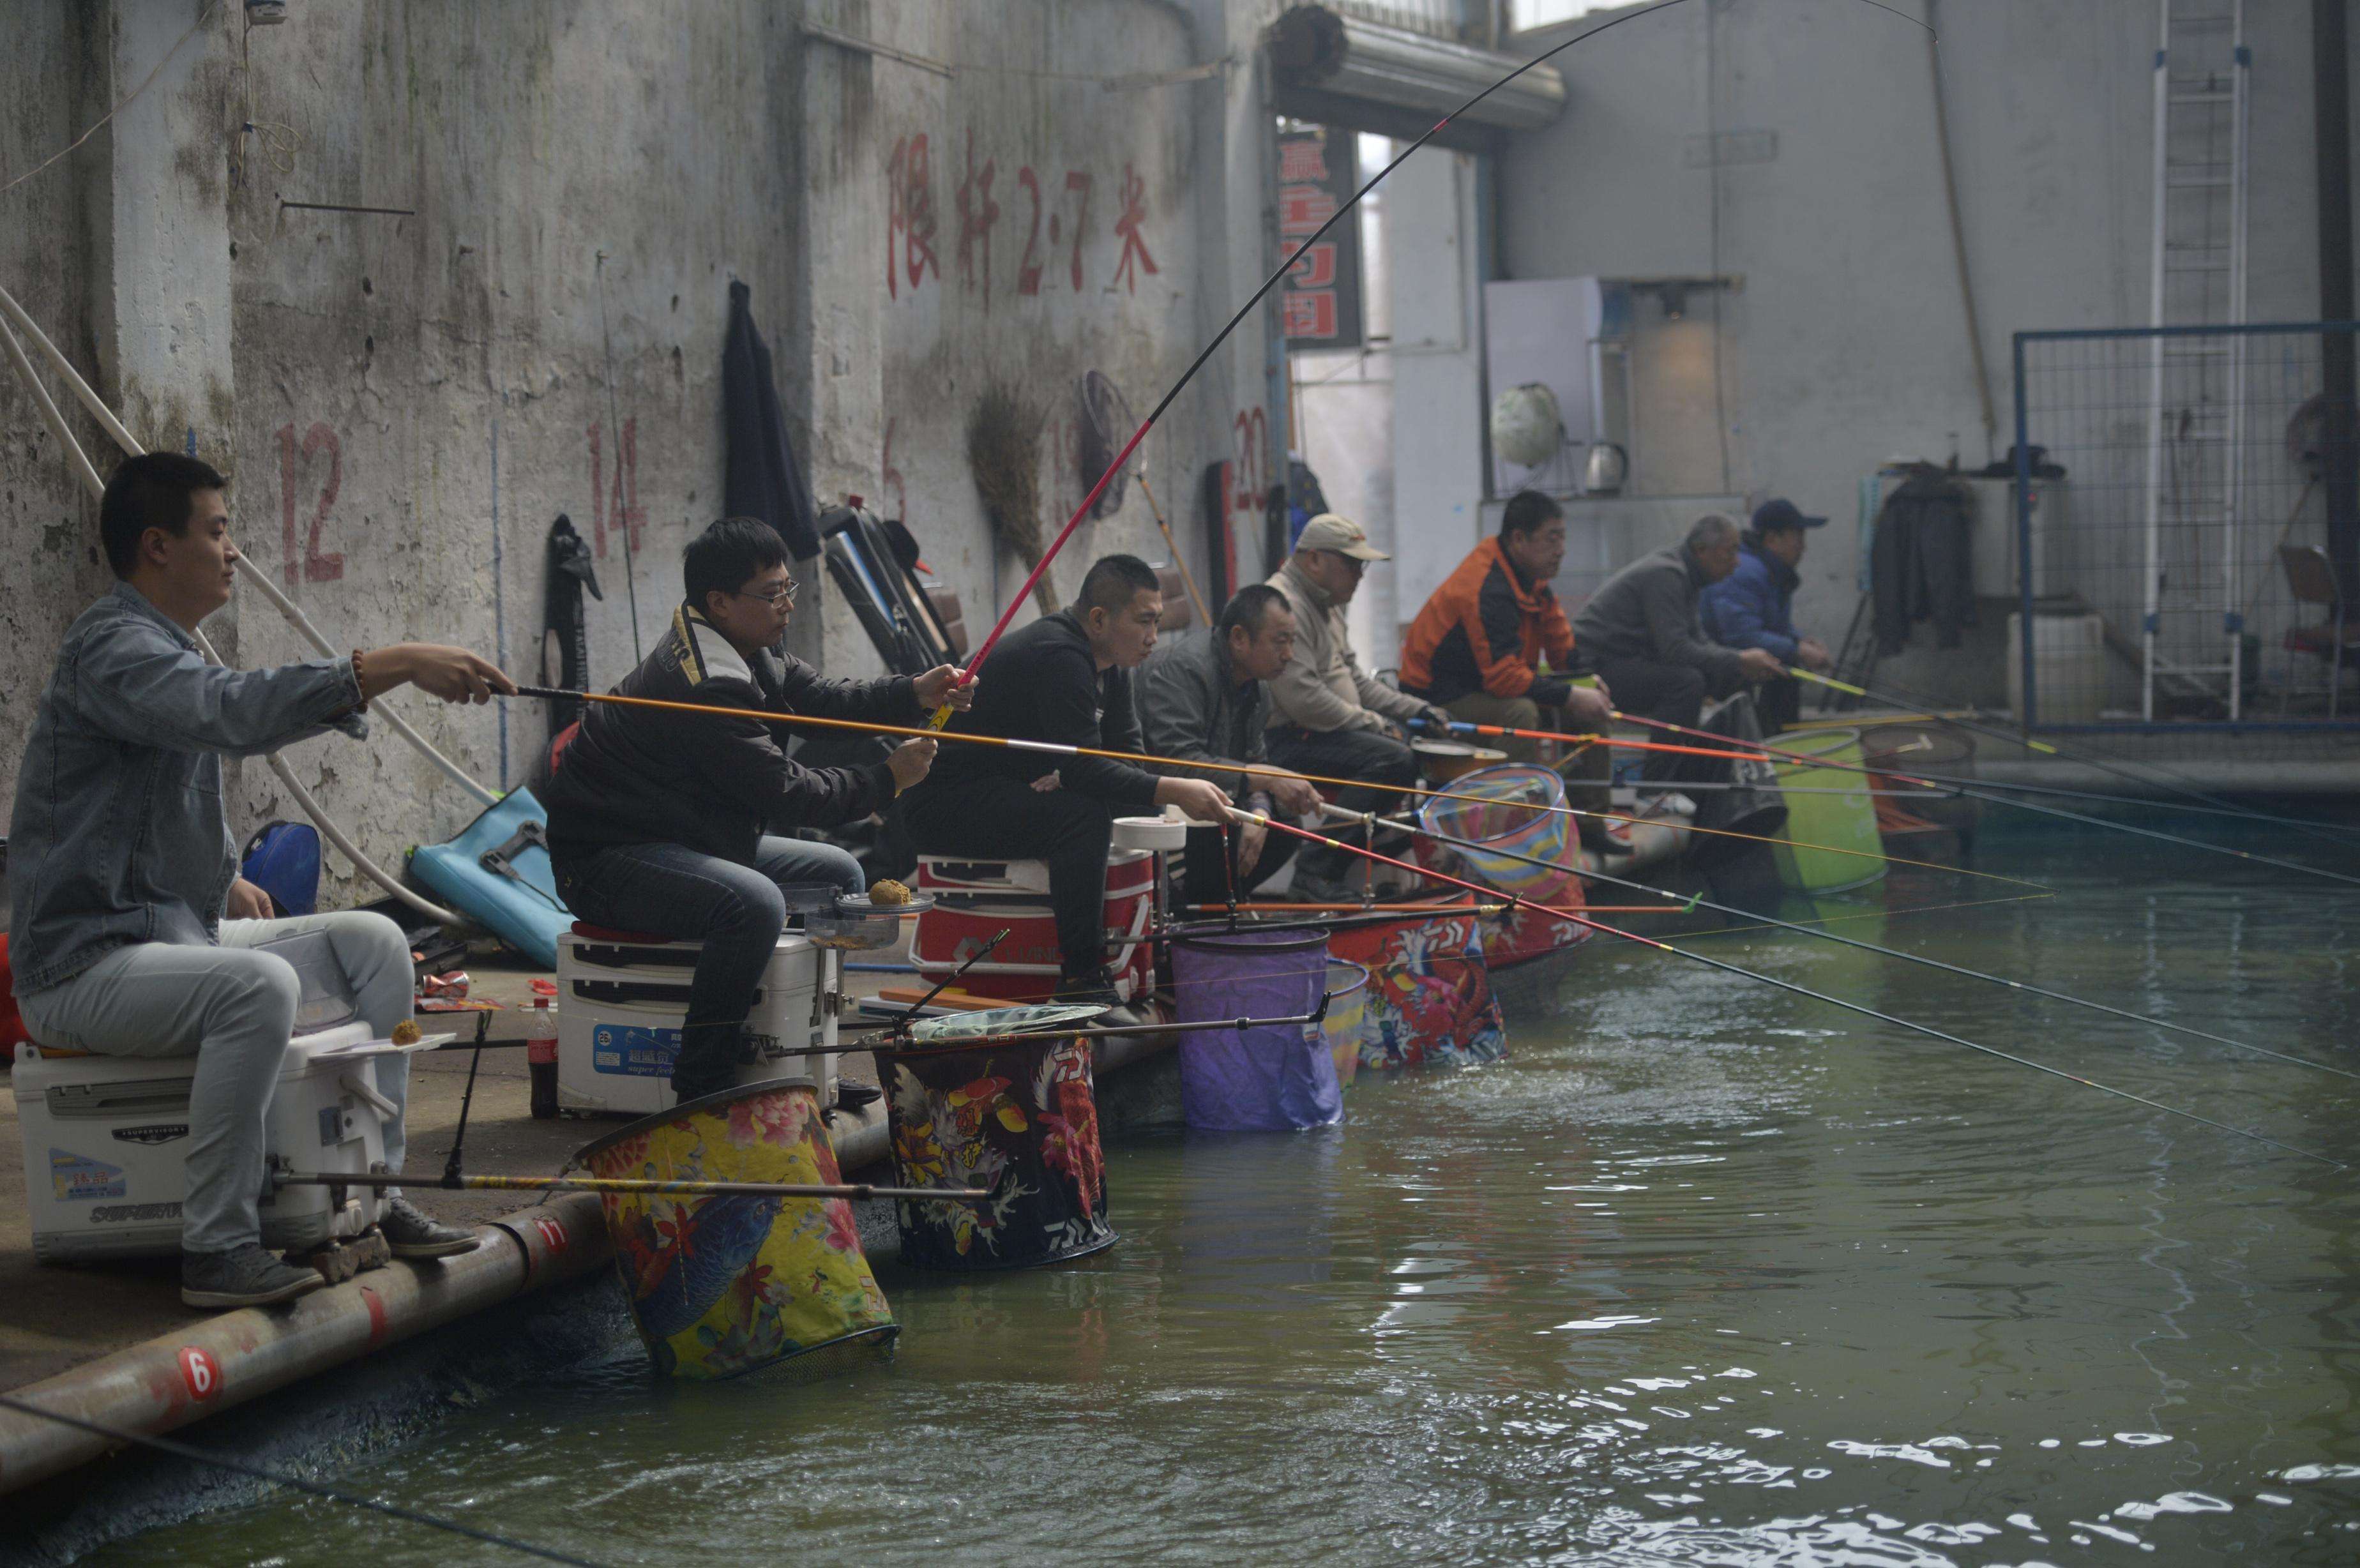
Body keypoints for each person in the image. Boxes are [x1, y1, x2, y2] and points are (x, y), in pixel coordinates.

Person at [10, 453, 507, 1309]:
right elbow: (228, 713)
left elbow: (159, 790)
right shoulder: (113, 649)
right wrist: (391, 663)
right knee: (256, 987)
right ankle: (218, 1248)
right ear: (158, 546)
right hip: (82, 964)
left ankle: (376, 1197)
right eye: (218, 531)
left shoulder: (164, 646)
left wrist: (226, 876)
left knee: (377, 943)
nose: (234, 550)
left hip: (172, 934)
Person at [543, 517, 967, 1102]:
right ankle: (705, 1086)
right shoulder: (706, 683)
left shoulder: (746, 643)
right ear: (719, 601)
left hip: (684, 835)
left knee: (840, 874)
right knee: (752, 904)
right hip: (606, 859)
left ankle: (809, 1060)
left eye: (789, 588)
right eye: (773, 594)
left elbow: (819, 700)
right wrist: (886, 779)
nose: (787, 605)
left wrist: (914, 692)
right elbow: (788, 793)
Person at [902, 555, 1232, 1006]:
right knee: (1082, 817)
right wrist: (1176, 788)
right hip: (943, 800)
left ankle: (1163, 945)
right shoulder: (1060, 655)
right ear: (1098, 619)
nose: (1154, 637)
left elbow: (1126, 760)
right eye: (1144, 621)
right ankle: (1082, 978)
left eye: (1157, 622)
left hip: (1006, 786)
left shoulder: (1111, 665)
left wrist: (1103, 782)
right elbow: (1085, 770)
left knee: (1137, 804)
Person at [1264, 514, 1449, 901]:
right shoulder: (1285, 605)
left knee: (1410, 744)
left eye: (1362, 565)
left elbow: (1355, 679)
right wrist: (1374, 723)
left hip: (1324, 730)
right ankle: (1314, 872)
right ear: (1315, 559)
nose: (1360, 575)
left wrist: (1414, 709)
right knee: (1394, 761)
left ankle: (1392, 859)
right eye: (1351, 564)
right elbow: (1305, 700)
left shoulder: (1326, 603)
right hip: (1286, 737)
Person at [1571, 513, 1785, 799]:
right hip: (1592, 668)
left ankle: (1735, 778)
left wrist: (1740, 663)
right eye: (1730, 552)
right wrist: (1739, 659)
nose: (1736, 562)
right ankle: (1656, 790)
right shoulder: (1667, 574)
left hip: (1627, 660)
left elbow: (1699, 642)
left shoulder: (1689, 577)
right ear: (1701, 550)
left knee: (1729, 676)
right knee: (1685, 683)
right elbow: (1676, 650)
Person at [1137, 584, 1322, 905]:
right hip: (1161, 801)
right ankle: (1201, 912)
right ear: (1239, 638)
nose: (1289, 654)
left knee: (1284, 826)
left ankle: (1222, 906)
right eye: (1280, 641)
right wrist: (1267, 779)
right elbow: (1178, 763)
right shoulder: (1183, 670)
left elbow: (1255, 757)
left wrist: (1260, 813)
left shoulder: (1258, 689)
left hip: (1215, 798)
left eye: (1292, 642)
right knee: (1216, 826)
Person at [1400, 490, 1613, 763]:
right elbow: (1503, 678)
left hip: (1487, 688)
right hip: (1437, 699)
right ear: (1519, 538)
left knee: (1591, 707)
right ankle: (1510, 791)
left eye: (1563, 538)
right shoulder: (1487, 588)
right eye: (1552, 538)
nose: (1561, 550)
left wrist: (1583, 682)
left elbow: (1563, 650)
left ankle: (1590, 794)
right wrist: (1570, 695)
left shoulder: (1533, 581)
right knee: (1520, 713)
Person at [1699, 497, 1833, 733]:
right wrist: (1797, 650)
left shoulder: (1774, 571)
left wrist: (1800, 641)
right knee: (1781, 671)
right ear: (1772, 539)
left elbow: (1774, 625)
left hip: (1743, 660)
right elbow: (1741, 636)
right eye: (1798, 538)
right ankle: (1773, 744)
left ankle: (1781, 742)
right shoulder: (1745, 572)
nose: (1803, 547)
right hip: (1720, 664)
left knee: (1786, 668)